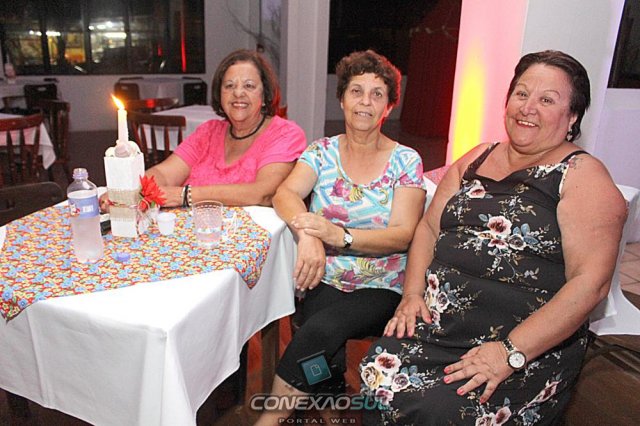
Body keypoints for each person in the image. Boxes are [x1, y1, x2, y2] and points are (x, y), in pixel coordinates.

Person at [360, 50, 628, 425]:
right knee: (377, 371)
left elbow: (591, 284)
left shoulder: (582, 175)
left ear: (572, 117)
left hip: (522, 346)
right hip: (440, 328)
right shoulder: (477, 157)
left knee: (443, 411)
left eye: (547, 100)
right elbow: (429, 228)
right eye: (521, 93)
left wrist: (510, 352)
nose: (528, 108)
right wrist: (412, 294)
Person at [255, 50, 426, 425]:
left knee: (319, 330)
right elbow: (285, 193)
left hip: (382, 284)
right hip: (324, 273)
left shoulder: (405, 160)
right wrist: (309, 234)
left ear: (388, 106)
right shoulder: (321, 152)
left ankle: (269, 420)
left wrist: (338, 235)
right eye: (356, 91)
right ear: (342, 99)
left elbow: (402, 235)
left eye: (377, 94)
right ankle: (332, 406)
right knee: (321, 344)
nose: (365, 102)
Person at [100, 49, 306, 211]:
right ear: (219, 94)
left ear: (265, 95)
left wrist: (184, 195)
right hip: (192, 233)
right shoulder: (208, 132)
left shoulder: (284, 133)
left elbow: (263, 193)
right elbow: (164, 173)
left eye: (249, 86)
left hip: (249, 240)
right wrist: (129, 191)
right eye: (229, 86)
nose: (238, 93)